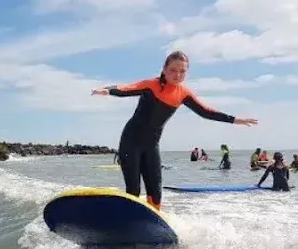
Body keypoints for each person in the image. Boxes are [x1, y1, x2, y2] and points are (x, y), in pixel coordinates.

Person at [90, 50, 258, 209]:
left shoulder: (183, 93)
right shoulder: (152, 85)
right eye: (173, 70)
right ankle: (126, 225)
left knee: (155, 193)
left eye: (182, 71)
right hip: (131, 141)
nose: (177, 75)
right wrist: (108, 90)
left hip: (151, 145)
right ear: (164, 69)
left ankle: (151, 228)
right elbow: (127, 88)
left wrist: (234, 120)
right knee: (133, 190)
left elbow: (205, 111)